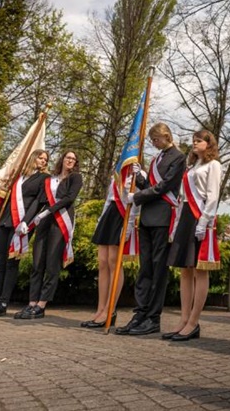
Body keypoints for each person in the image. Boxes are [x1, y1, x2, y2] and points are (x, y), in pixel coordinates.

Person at [115, 123, 186, 336]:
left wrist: (136, 196)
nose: (153, 144)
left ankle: (153, 317)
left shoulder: (178, 157)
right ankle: (140, 313)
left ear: (166, 136)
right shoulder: (157, 159)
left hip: (163, 217)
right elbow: (149, 187)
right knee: (145, 269)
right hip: (146, 218)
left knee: (158, 270)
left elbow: (164, 187)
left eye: (155, 140)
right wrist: (139, 178)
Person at [0, 149, 49, 318]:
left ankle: (3, 303)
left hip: (21, 224)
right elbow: (5, 198)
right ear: (33, 158)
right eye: (41, 158)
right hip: (5, 221)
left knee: (11, 263)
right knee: (0, 263)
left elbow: (37, 203)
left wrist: (26, 221)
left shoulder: (44, 178)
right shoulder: (18, 176)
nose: (44, 161)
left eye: (45, 159)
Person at [165, 129, 221, 342]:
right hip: (186, 216)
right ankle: (183, 319)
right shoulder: (191, 167)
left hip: (200, 217)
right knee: (185, 270)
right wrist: (177, 223)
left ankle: (194, 322)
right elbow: (182, 197)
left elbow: (213, 196)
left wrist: (204, 222)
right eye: (194, 141)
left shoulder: (213, 165)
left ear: (209, 144)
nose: (195, 144)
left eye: (199, 141)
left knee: (199, 270)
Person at [15, 150, 82, 320]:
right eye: (68, 157)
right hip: (43, 221)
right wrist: (26, 220)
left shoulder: (76, 178)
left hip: (60, 220)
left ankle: (41, 305)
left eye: (73, 159)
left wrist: (49, 212)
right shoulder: (49, 179)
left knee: (52, 264)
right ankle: (31, 303)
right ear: (62, 159)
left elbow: (69, 198)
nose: (70, 160)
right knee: (37, 263)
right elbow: (38, 201)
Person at [82, 156, 136, 329]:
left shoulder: (137, 174)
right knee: (103, 262)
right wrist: (100, 221)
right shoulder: (118, 174)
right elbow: (109, 199)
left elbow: (135, 204)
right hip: (109, 214)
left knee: (114, 262)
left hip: (122, 217)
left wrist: (127, 228)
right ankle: (100, 309)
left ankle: (110, 309)